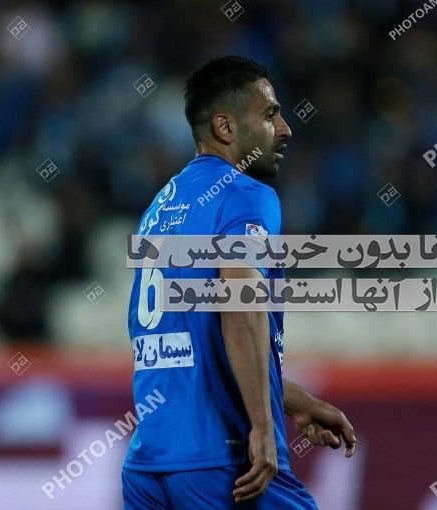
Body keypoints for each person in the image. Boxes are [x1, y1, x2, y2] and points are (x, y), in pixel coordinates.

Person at [122, 55, 356, 509]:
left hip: (148, 467)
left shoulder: (160, 206)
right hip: (224, 460)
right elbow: (240, 304)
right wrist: (263, 427)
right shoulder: (245, 195)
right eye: (270, 114)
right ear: (225, 128)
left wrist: (294, 400)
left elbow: (201, 347)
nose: (285, 129)